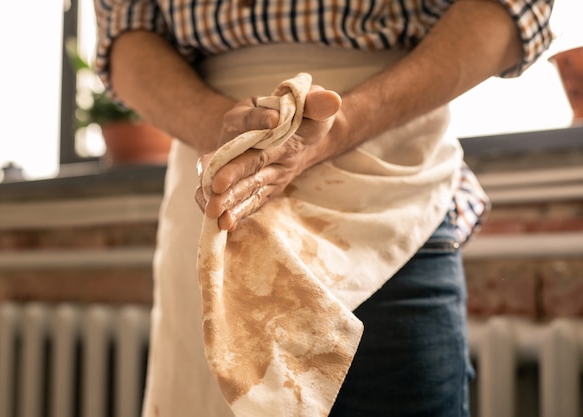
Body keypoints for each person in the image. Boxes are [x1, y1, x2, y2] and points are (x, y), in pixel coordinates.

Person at [93, 1, 553, 416]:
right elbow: (128, 32)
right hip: (215, 182)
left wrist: (344, 124)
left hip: (388, 179)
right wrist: (218, 125)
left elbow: (508, 8)